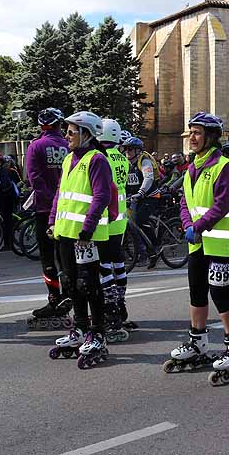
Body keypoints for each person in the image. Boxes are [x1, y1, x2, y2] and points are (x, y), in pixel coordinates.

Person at [166, 112, 229, 379]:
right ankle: (197, 342)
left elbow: (222, 204)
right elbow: (185, 201)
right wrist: (188, 224)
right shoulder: (192, 167)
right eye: (191, 132)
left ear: (211, 137)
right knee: (197, 293)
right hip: (198, 244)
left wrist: (197, 227)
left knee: (220, 295)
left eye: (197, 133)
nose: (192, 137)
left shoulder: (224, 166)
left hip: (221, 245)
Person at [47, 111, 116, 367]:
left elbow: (101, 197)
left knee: (89, 283)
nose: (67, 135)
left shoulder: (97, 159)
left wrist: (87, 229)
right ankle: (79, 328)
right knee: (71, 282)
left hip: (86, 237)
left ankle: (97, 333)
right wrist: (53, 220)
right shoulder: (68, 160)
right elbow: (60, 193)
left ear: (86, 134)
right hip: (65, 233)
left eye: (71, 131)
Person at [25, 107, 73, 330]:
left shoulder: (36, 146)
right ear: (60, 124)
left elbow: (34, 178)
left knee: (47, 258)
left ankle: (54, 298)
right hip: (68, 209)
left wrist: (48, 201)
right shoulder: (67, 145)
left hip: (45, 210)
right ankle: (71, 295)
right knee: (66, 255)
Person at [98, 118, 131, 341]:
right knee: (117, 261)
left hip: (105, 218)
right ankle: (120, 300)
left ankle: (110, 306)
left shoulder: (101, 158)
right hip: (120, 217)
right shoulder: (122, 158)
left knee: (103, 265)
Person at [122, 135, 160, 267]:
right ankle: (144, 252)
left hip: (150, 196)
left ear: (138, 150)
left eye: (130, 149)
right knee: (127, 222)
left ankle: (155, 246)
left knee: (139, 220)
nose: (127, 151)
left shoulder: (144, 161)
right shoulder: (126, 163)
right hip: (134, 197)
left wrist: (141, 192)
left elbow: (148, 178)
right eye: (125, 149)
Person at [0, 154, 19, 252]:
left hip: (7, 199)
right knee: (5, 221)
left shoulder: (4, 172)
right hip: (1, 199)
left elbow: (4, 185)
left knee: (7, 221)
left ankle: (8, 244)